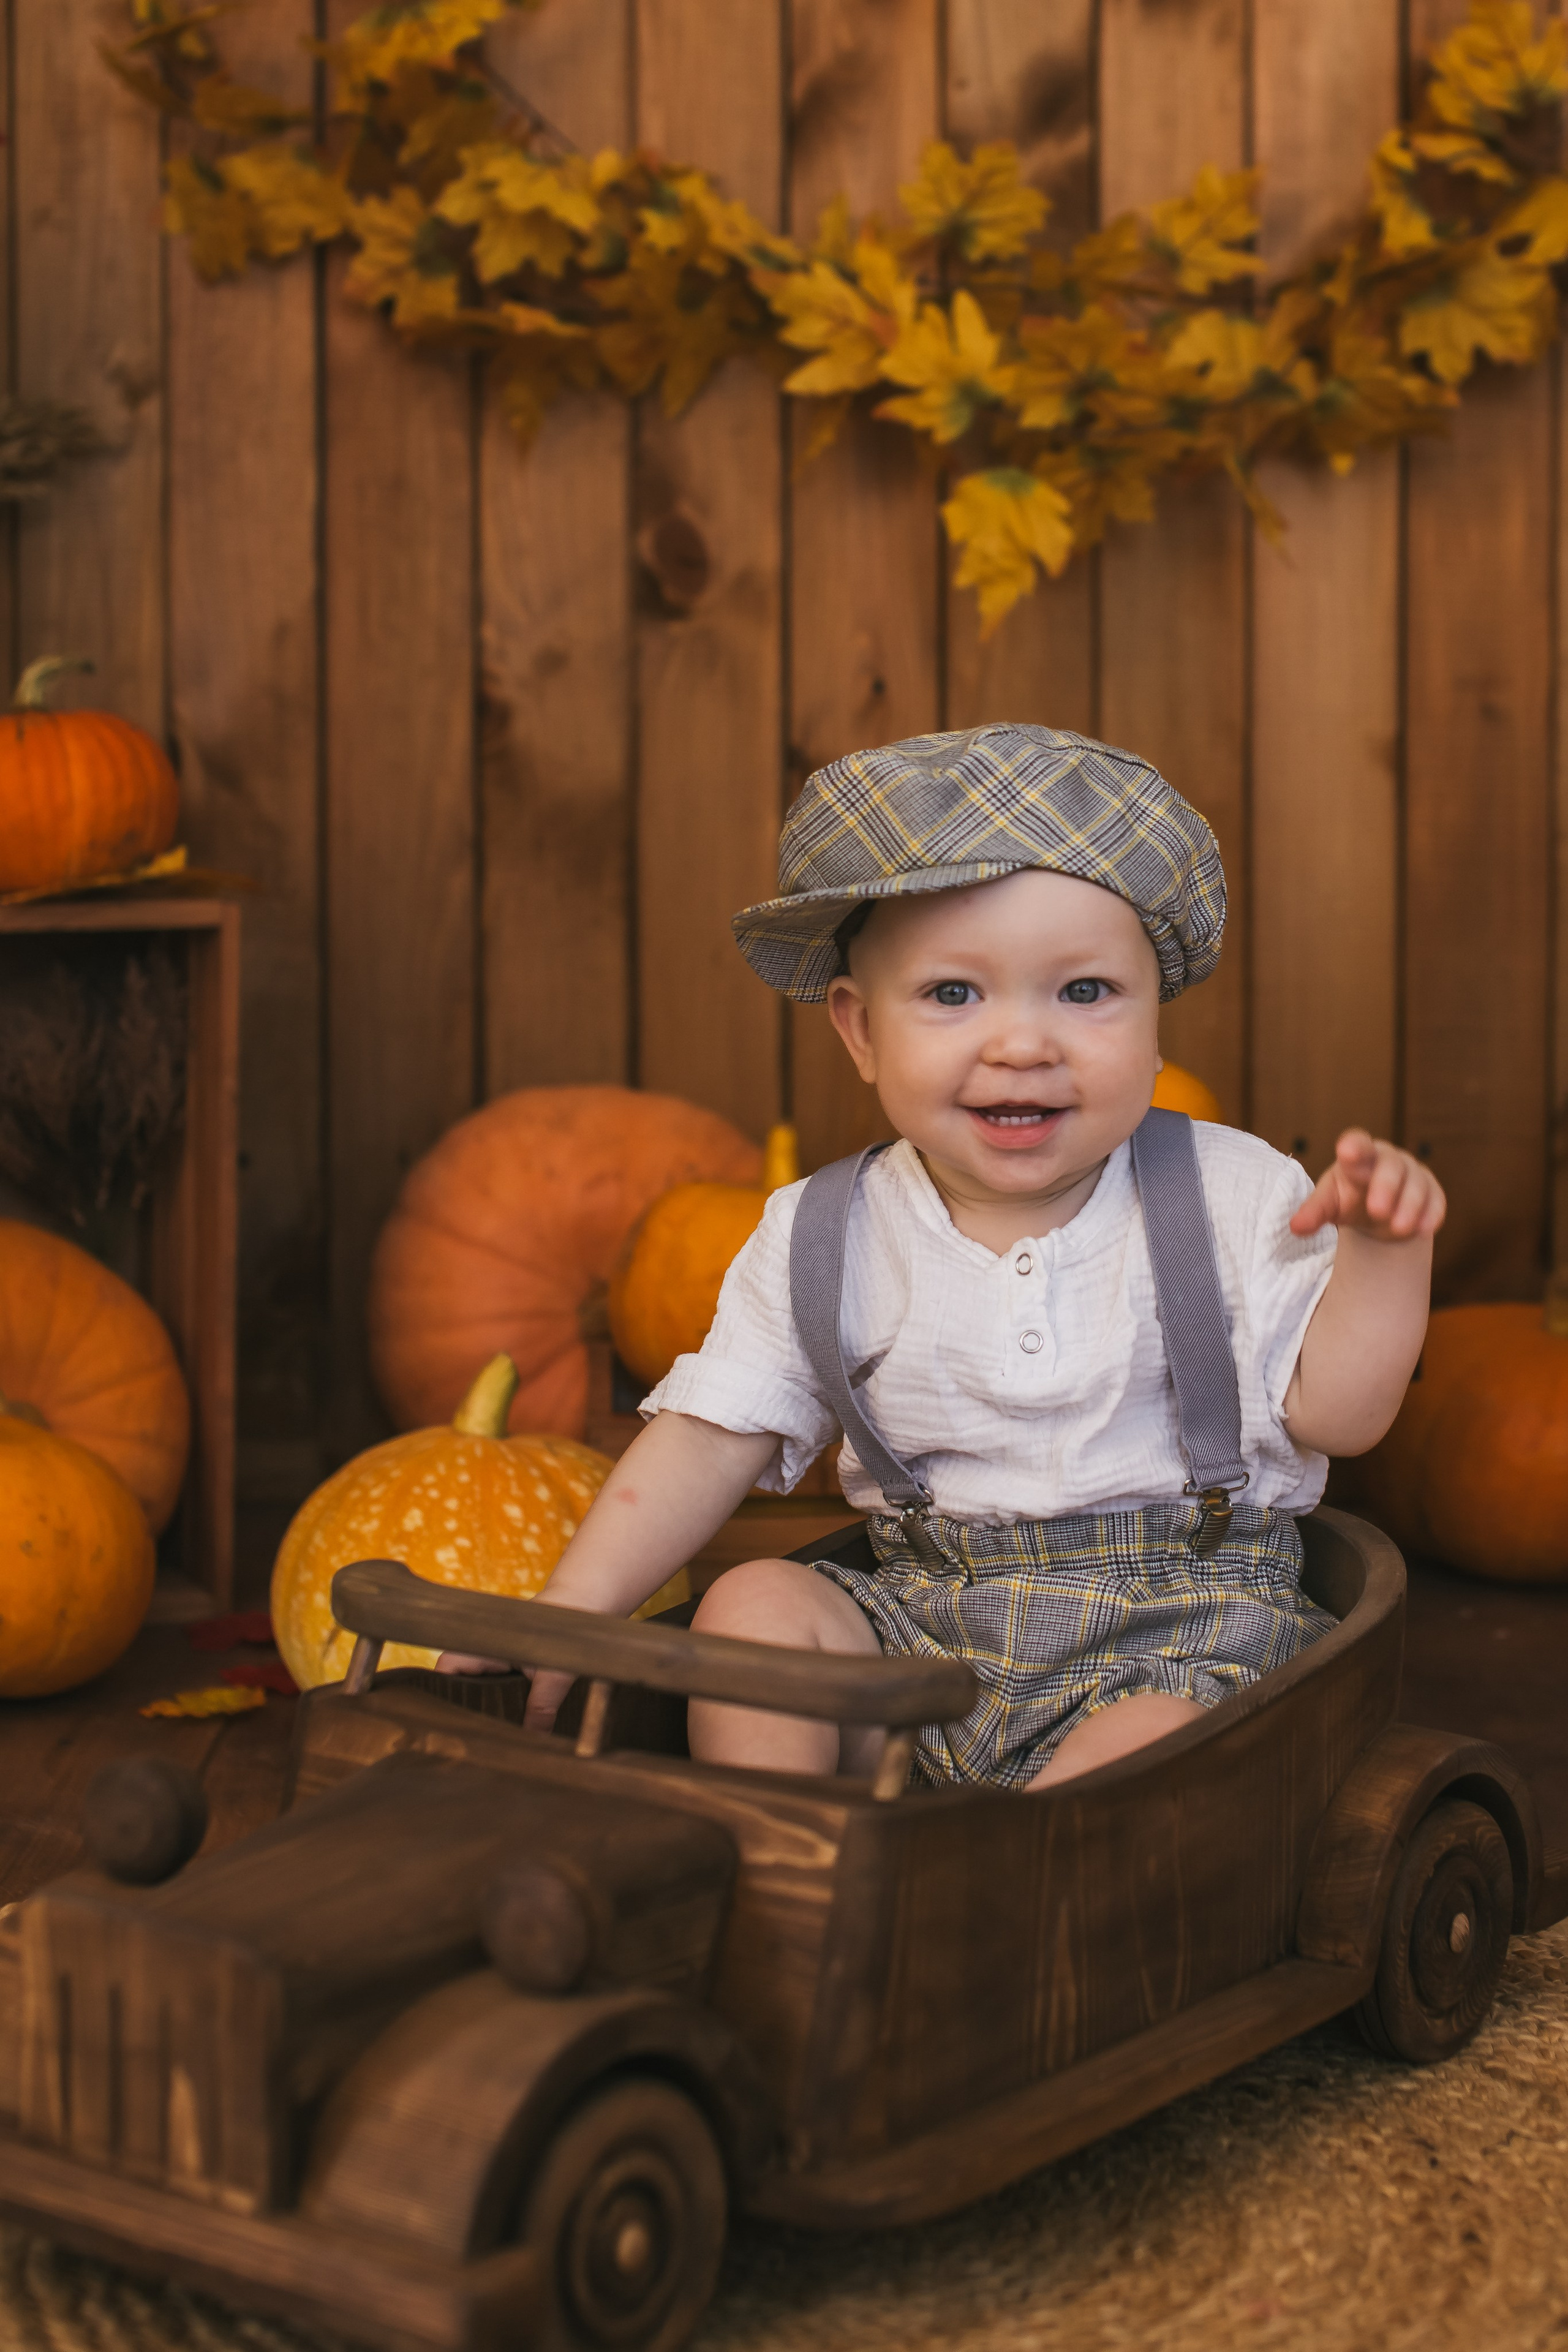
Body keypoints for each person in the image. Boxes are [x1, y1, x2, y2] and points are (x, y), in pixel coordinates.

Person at [441, 724, 1444, 1790]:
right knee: (750, 1609)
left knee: (1142, 1756)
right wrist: (565, 1612)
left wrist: (1384, 1254)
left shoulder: (1232, 1193)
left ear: (1157, 1025)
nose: (1022, 1043)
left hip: (1182, 1636)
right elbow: (707, 1441)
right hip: (921, 1630)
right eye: (954, 995)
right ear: (861, 1031)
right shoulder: (823, 1232)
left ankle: (1023, 1902)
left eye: (1086, 992)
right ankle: (798, 1865)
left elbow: (1341, 1418)